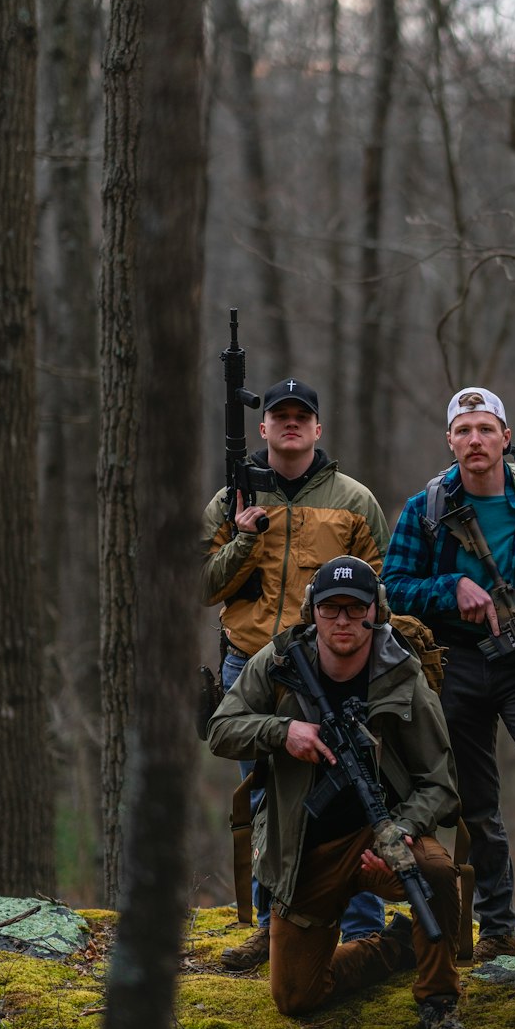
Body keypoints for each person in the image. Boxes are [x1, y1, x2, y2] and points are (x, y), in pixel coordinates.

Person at [205, 555, 472, 1029]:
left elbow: (440, 784)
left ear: (376, 611)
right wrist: (283, 732)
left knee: (435, 874)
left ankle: (439, 1002)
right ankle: (397, 948)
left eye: (355, 608)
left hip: (384, 841)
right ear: (314, 613)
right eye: (331, 609)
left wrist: (403, 831)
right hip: (305, 848)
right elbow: (221, 729)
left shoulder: (402, 674)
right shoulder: (281, 661)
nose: (344, 620)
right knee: (295, 997)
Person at [382, 386, 515, 969]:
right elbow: (393, 585)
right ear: (450, 441)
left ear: (505, 437)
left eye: (485, 429)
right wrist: (451, 589)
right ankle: (497, 925)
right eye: (464, 430)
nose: (475, 440)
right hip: (457, 662)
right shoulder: (428, 508)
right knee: (476, 800)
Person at [201, 377, 390, 968]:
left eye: (300, 416)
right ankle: (270, 926)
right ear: (262, 428)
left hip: (335, 666)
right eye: (278, 415)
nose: (289, 424)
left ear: (317, 428)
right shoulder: (230, 499)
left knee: (353, 792)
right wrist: (245, 537)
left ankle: (362, 928)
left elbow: (383, 596)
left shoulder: (354, 501)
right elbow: (206, 586)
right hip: (251, 666)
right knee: (264, 798)